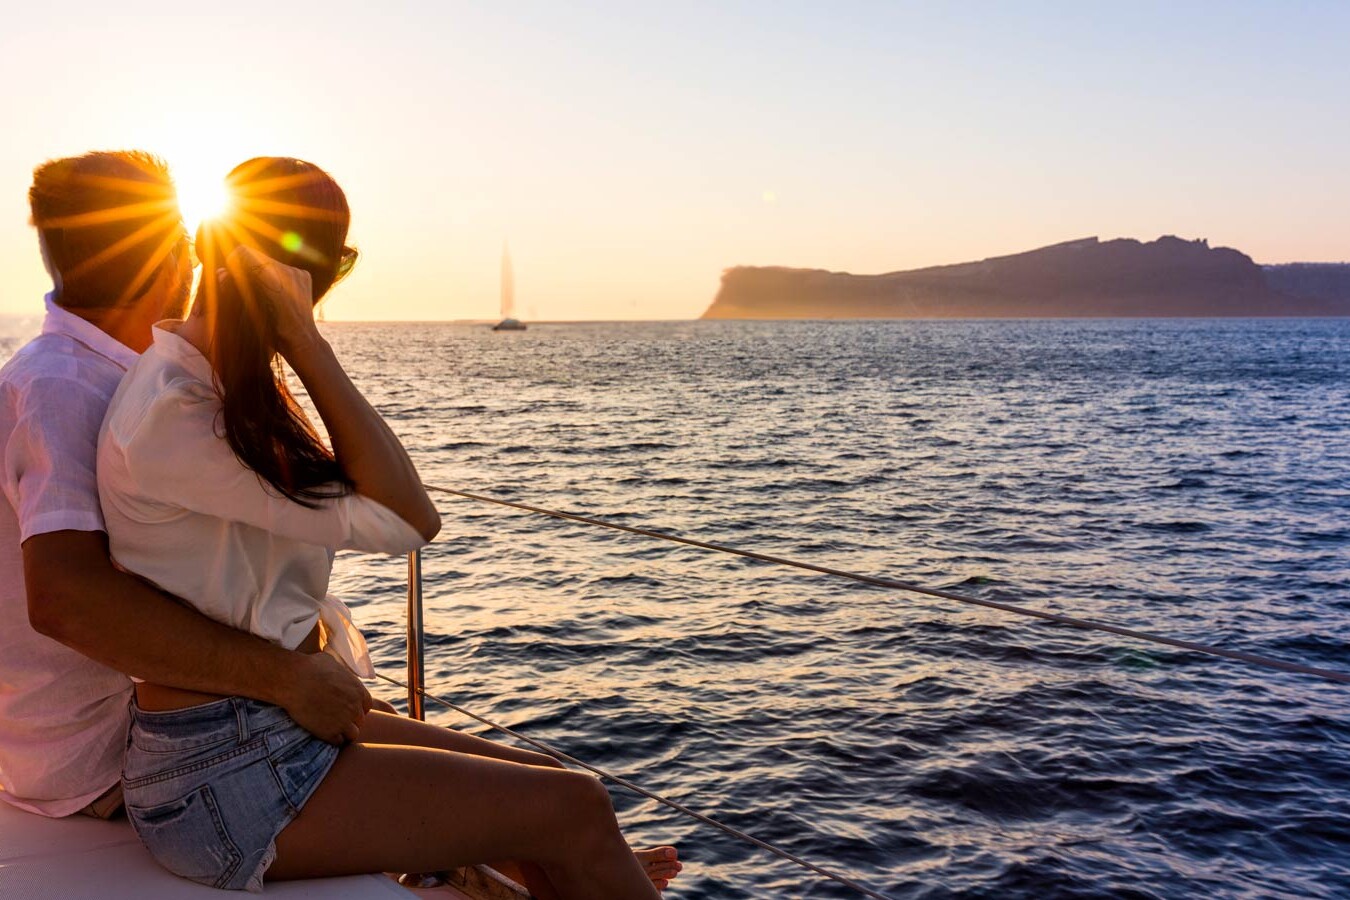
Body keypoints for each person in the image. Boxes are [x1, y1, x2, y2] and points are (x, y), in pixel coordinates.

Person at [97, 157, 681, 897]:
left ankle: (587, 869)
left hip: (263, 729)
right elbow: (410, 518)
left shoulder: (214, 385)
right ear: (312, 277)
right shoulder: (178, 411)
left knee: (553, 787)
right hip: (220, 776)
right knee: (577, 809)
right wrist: (305, 339)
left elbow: (394, 507)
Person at [0, 151, 374, 823]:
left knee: (515, 789)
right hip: (126, 755)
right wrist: (288, 678)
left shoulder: (103, 372)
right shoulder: (65, 388)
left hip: (184, 722)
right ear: (167, 253)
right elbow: (65, 598)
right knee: (527, 810)